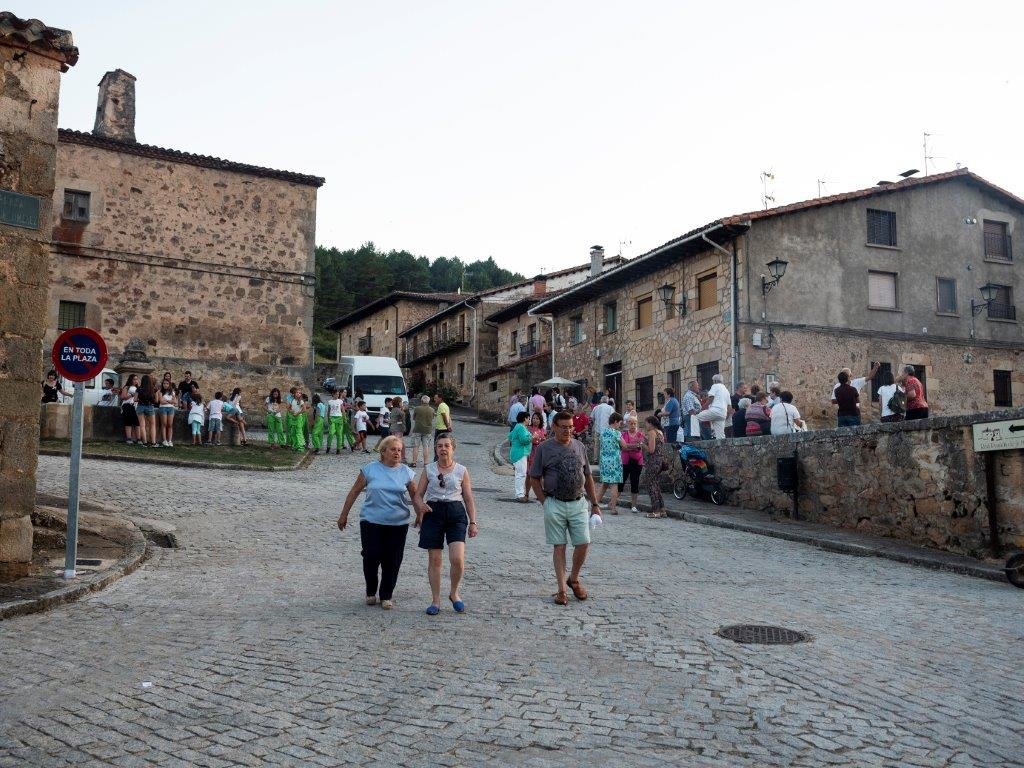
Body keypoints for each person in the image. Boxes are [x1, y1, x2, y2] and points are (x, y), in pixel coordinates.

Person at [337, 435, 430, 610]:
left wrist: (420, 515)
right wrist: (344, 515)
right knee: (371, 556)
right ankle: (371, 590)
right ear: (383, 451)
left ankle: (386, 595)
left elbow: (415, 497)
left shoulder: (406, 472)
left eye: (400, 450)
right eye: (393, 449)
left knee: (393, 560)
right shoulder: (370, 469)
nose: (397, 453)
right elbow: (354, 491)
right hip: (371, 521)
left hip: (397, 523)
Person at [528, 411, 602, 606]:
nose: (568, 430)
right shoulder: (544, 448)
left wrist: (595, 504)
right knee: (559, 546)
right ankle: (561, 589)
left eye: (571, 427)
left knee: (583, 543)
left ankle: (574, 579)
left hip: (578, 503)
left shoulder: (579, 447)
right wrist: (545, 502)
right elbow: (534, 477)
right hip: (555, 502)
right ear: (554, 427)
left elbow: (588, 477)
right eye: (564, 427)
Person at [415, 432, 479, 615]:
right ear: (435, 449)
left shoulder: (461, 470)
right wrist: (421, 506)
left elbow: (468, 498)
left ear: (453, 448)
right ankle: (435, 600)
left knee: (457, 559)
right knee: (435, 559)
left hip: (455, 513)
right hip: (433, 513)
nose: (443, 449)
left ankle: (454, 593)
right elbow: (418, 495)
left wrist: (473, 522)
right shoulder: (429, 469)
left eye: (446, 445)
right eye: (439, 446)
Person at [639, 415, 667, 519]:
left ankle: (656, 511)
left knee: (651, 486)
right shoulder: (660, 432)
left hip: (652, 462)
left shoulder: (652, 432)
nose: (645, 425)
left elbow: (651, 450)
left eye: (646, 423)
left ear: (650, 423)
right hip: (659, 462)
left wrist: (642, 444)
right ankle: (662, 510)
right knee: (656, 485)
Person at [596, 412, 625, 513]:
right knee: (614, 484)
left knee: (604, 484)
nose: (620, 425)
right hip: (614, 461)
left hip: (604, 461)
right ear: (616, 422)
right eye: (620, 423)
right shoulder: (616, 433)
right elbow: (624, 446)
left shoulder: (603, 431)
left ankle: (595, 505)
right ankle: (613, 508)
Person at [618, 415, 644, 513]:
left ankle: (633, 505)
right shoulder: (623, 434)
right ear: (627, 424)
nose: (633, 425)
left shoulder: (640, 434)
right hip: (625, 461)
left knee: (635, 482)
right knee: (621, 482)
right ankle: (613, 502)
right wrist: (633, 446)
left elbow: (639, 447)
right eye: (631, 423)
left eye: (634, 423)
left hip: (637, 462)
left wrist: (628, 446)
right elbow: (623, 447)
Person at [509, 411, 534, 502]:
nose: (529, 420)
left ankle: (519, 493)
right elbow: (524, 440)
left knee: (519, 474)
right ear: (525, 418)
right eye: (528, 418)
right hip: (520, 453)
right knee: (521, 474)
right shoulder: (521, 427)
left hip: (518, 452)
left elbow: (510, 436)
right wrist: (532, 437)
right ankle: (520, 494)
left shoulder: (519, 427)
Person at [696, 374, 730, 439]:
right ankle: (722, 447)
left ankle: (694, 436)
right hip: (722, 414)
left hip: (715, 411)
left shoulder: (715, 386)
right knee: (720, 436)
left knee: (694, 417)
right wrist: (727, 415)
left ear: (715, 381)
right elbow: (729, 405)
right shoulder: (726, 390)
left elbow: (711, 398)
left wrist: (702, 408)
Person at [525, 411, 547, 502]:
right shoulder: (528, 429)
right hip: (530, 452)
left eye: (537, 418)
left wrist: (541, 440)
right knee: (529, 474)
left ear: (540, 420)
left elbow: (544, 441)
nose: (535, 420)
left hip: (540, 454)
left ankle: (539, 494)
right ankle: (526, 493)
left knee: (539, 475)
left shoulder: (543, 430)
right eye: (533, 418)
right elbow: (528, 440)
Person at [410, 395, 435, 467]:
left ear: (421, 401)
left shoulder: (417, 408)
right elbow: (432, 418)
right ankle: (426, 463)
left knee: (416, 446)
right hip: (427, 430)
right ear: (428, 402)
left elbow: (414, 418)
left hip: (417, 429)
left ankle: (414, 462)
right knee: (425, 446)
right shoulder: (432, 410)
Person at [136, 374, 158, 447]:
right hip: (150, 406)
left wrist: (140, 399)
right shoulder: (153, 389)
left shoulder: (138, 389)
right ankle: (153, 442)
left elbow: (135, 399)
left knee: (142, 425)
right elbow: (155, 400)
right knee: (152, 425)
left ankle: (144, 442)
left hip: (140, 406)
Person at [157, 379, 177, 447]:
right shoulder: (160, 392)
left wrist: (167, 401)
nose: (165, 385)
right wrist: (170, 401)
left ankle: (170, 440)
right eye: (164, 383)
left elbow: (175, 401)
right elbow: (161, 401)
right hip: (163, 408)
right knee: (164, 423)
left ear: (169, 384)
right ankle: (164, 440)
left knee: (170, 424)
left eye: (167, 383)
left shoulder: (172, 392)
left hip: (171, 408)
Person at [389, 397, 407, 463]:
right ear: (398, 403)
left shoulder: (393, 409)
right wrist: (403, 410)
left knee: (395, 443)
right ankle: (402, 458)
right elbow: (402, 418)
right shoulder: (398, 411)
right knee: (400, 444)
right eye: (401, 402)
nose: (402, 403)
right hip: (398, 429)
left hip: (393, 428)